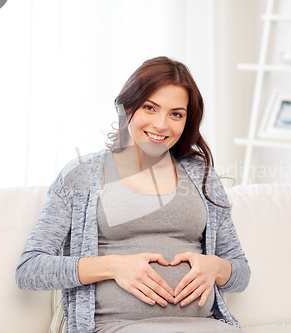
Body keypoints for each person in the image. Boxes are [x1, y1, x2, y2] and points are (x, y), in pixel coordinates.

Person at [16, 56, 250, 333]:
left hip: (204, 325)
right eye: (150, 108)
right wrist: (114, 267)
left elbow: (240, 273)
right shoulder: (82, 174)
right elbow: (30, 270)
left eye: (176, 114)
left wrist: (215, 267)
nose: (162, 125)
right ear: (127, 107)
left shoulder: (202, 176)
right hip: (113, 326)